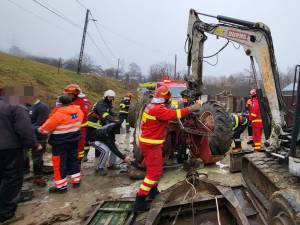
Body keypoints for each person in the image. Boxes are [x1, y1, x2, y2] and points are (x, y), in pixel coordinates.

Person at [132, 85, 202, 213]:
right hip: (151, 145)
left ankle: (153, 193)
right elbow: (176, 114)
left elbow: (170, 110)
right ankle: (140, 201)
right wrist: (193, 107)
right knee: (154, 174)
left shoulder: (151, 106)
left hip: (151, 144)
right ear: (165, 98)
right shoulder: (159, 110)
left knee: (154, 170)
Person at [0, 95, 40, 223]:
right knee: (12, 179)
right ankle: (6, 214)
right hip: (9, 149)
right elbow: (24, 129)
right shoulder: (15, 106)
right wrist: (34, 144)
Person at [38, 96, 83, 193]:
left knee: (59, 164)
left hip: (60, 143)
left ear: (60, 103)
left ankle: (61, 187)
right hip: (74, 140)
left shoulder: (58, 114)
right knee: (73, 160)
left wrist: (37, 128)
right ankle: (76, 180)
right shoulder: (78, 111)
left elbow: (44, 130)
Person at [24, 98, 50, 187]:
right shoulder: (26, 106)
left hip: (39, 137)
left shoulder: (43, 107)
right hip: (26, 136)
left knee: (37, 157)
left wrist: (25, 127)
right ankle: (26, 172)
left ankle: (38, 177)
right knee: (24, 154)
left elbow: (41, 123)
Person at [85, 90, 116, 162]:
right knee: (88, 139)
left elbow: (109, 111)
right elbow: (104, 113)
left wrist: (115, 114)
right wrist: (112, 120)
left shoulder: (107, 103)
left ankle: (98, 155)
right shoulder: (101, 103)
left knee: (98, 139)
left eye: (112, 98)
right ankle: (85, 155)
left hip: (98, 123)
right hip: (91, 122)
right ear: (106, 96)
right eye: (109, 97)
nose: (111, 99)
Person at [63, 84, 91, 164]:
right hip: (71, 128)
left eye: (69, 94)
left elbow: (82, 114)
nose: (67, 96)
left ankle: (77, 164)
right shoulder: (72, 101)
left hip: (80, 129)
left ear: (75, 94)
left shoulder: (83, 102)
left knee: (79, 147)